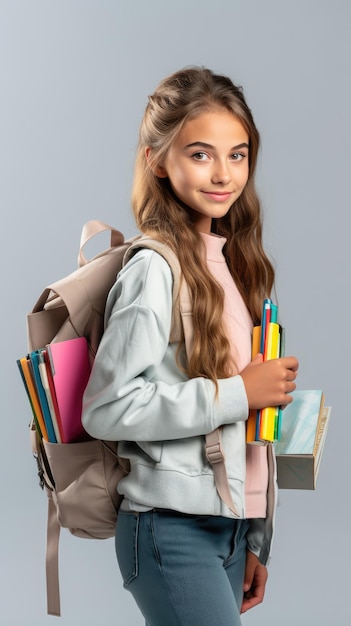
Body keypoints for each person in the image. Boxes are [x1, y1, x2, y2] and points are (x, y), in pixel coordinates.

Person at [82, 66, 299, 626]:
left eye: (238, 154)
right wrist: (238, 393)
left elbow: (246, 433)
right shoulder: (154, 270)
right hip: (167, 529)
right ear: (158, 159)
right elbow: (106, 407)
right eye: (200, 154)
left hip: (225, 530)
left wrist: (256, 535)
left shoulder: (234, 264)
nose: (224, 174)